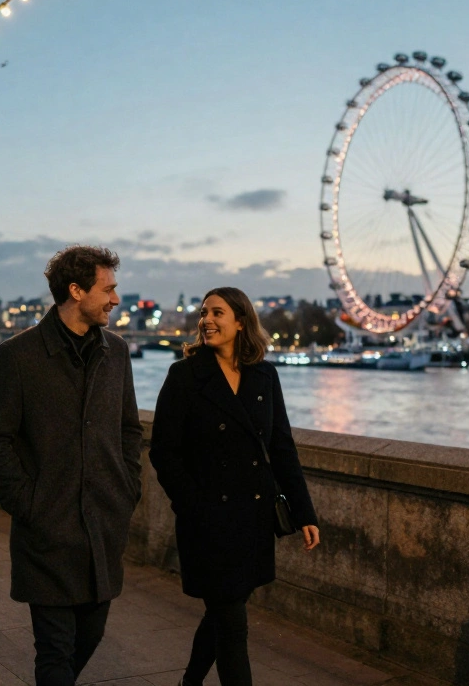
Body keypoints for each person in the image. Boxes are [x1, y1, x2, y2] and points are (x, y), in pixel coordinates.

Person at [0, 245, 142, 686]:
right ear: (75, 290)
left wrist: (126, 491)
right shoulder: (19, 356)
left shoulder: (117, 352)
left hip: (103, 525)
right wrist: (30, 504)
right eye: (108, 289)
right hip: (48, 531)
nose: (116, 300)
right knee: (54, 652)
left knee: (90, 636)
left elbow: (129, 431)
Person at [150, 287, 321, 686]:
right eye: (204, 313)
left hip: (253, 518)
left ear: (240, 321)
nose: (206, 320)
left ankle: (189, 682)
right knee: (233, 624)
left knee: (225, 611)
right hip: (208, 521)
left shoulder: (265, 374)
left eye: (217, 312)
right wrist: (193, 506)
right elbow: (163, 452)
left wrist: (304, 512)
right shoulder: (185, 376)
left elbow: (281, 448)